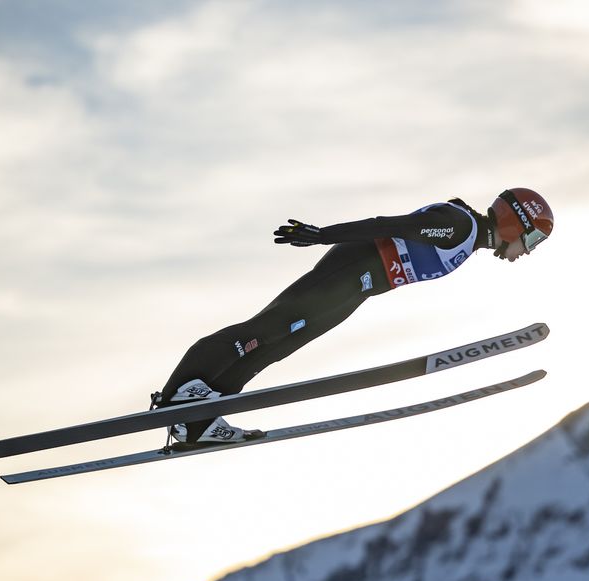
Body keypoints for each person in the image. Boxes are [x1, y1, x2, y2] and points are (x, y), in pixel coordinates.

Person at [154, 188, 555, 445]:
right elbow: (389, 226)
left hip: (358, 290)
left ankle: (198, 420)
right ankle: (178, 394)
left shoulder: (467, 241)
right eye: (532, 239)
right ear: (512, 223)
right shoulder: (458, 227)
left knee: (277, 347)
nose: (528, 250)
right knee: (263, 331)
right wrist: (321, 234)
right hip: (347, 274)